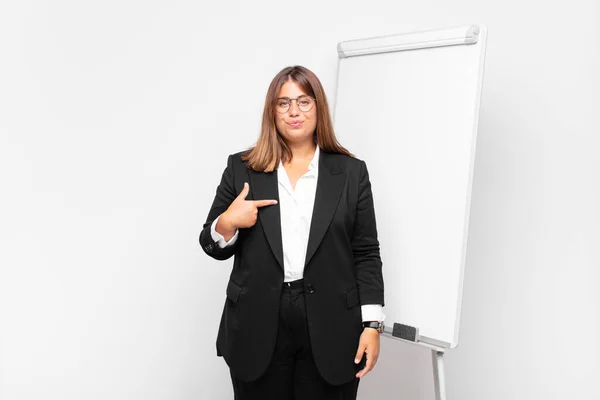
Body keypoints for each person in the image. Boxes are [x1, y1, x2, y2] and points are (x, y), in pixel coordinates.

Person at [199, 65, 385, 400]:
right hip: (258, 320)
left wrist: (372, 325)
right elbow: (210, 243)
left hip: (331, 322)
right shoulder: (242, 168)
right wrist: (228, 221)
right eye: (283, 103)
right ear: (272, 111)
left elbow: (366, 252)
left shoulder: (351, 172)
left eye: (304, 101)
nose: (294, 112)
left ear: (318, 108)